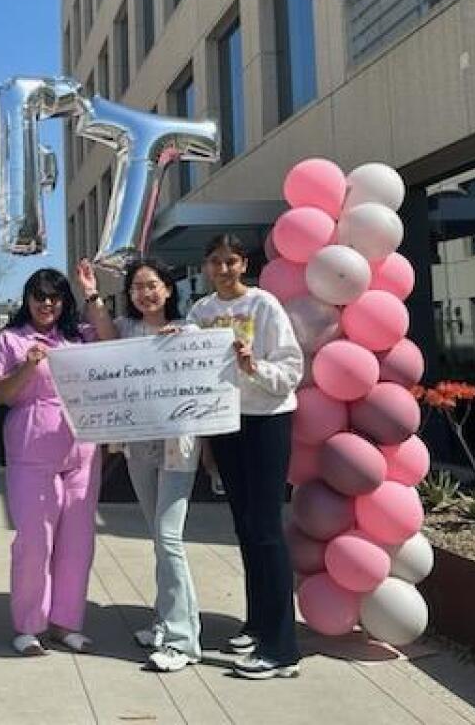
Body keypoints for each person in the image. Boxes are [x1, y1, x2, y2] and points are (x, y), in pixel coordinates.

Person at [77, 257, 203, 673]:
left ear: (169, 289)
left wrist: (182, 346)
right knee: (158, 538)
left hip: (175, 449)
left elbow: (206, 379)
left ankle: (184, 640)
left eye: (152, 285)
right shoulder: (129, 331)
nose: (145, 293)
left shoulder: (189, 332)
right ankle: (165, 623)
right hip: (139, 447)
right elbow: (105, 333)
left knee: (169, 539)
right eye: (137, 288)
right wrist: (92, 291)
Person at [187, 234, 303, 680]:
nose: (222, 269)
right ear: (205, 267)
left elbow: (292, 371)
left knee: (267, 529)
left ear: (244, 264)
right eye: (214, 261)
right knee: (245, 527)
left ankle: (282, 648)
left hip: (265, 422)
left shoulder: (265, 305)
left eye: (230, 261)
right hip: (225, 424)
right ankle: (257, 624)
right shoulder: (200, 313)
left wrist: (255, 366)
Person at [0, 268, 98, 657]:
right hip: (32, 451)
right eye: (38, 295)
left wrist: (93, 294)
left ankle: (66, 623)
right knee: (35, 542)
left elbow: (114, 345)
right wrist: (28, 366)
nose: (46, 303)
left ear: (64, 300)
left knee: (77, 543)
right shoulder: (11, 340)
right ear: (27, 299)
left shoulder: (79, 336)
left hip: (82, 451)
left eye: (54, 296)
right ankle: (29, 625)